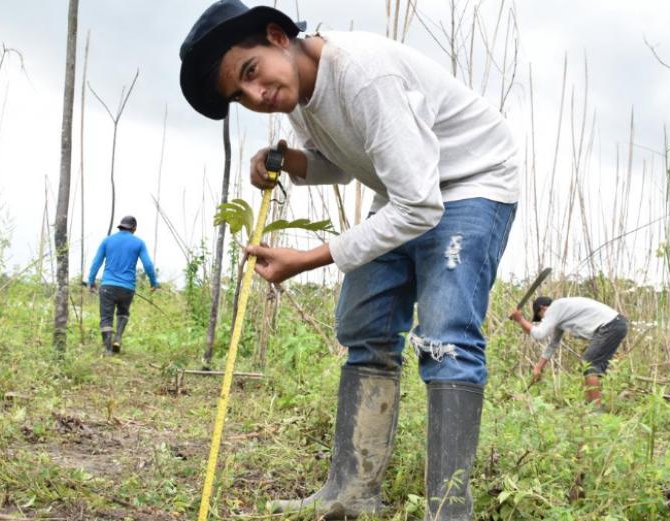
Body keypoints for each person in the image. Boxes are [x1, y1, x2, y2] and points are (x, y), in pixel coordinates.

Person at [178, 1, 519, 518]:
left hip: (470, 183)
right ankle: (351, 494)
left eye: (250, 73)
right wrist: (290, 162)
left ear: (276, 36)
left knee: (447, 338)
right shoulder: (296, 93)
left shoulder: (363, 75)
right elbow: (341, 163)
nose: (257, 96)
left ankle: (449, 511)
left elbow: (420, 204)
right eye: (240, 95)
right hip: (405, 191)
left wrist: (309, 257)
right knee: (365, 326)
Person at [509, 296, 628, 406]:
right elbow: (552, 345)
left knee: (589, 364)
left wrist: (520, 319)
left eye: (541, 317)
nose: (544, 319)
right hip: (616, 324)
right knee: (590, 366)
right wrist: (538, 367)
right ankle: (591, 406)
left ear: (542, 308)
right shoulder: (562, 313)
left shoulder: (554, 308)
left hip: (610, 326)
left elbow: (539, 334)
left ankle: (596, 411)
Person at [88, 216, 158, 356]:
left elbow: (96, 262)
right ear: (134, 228)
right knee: (123, 313)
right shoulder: (139, 243)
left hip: (108, 286)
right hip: (127, 288)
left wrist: (91, 281)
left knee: (106, 318)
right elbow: (148, 265)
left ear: (120, 226)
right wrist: (153, 283)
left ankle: (108, 350)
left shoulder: (107, 241)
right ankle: (118, 338)